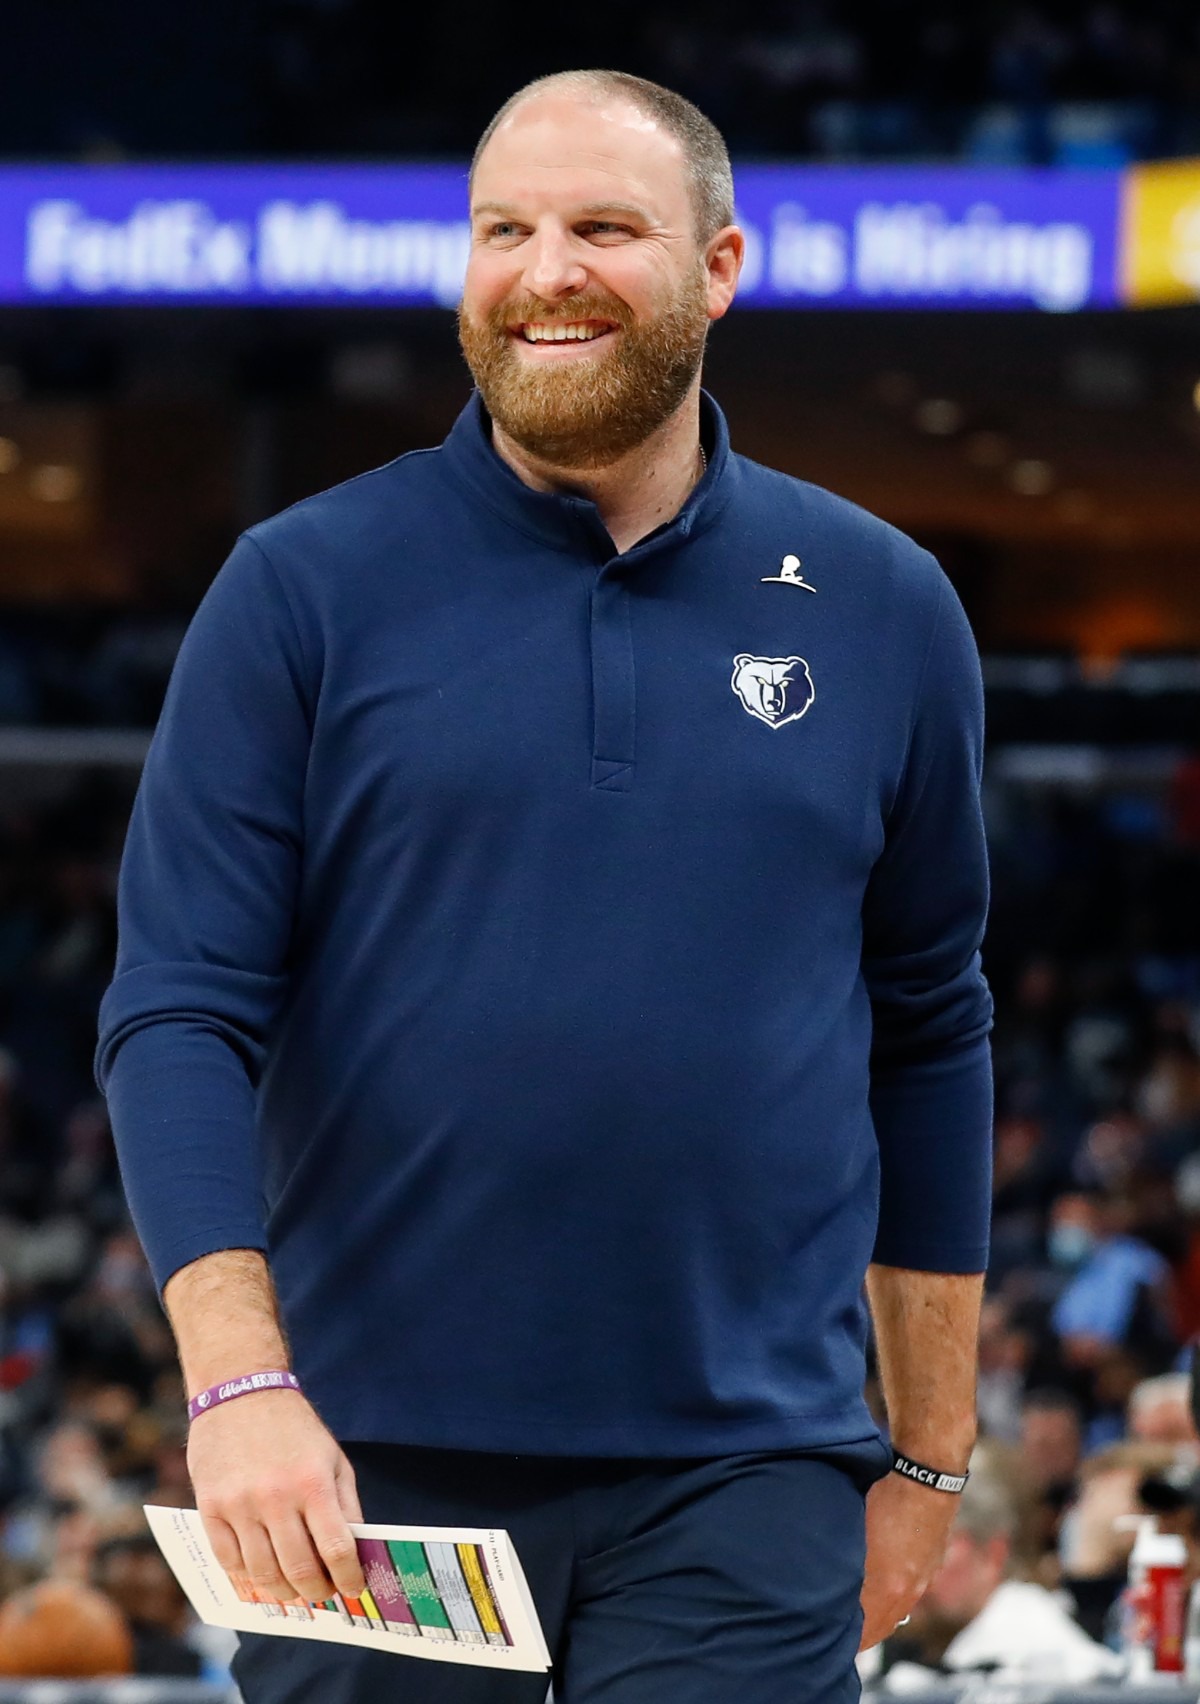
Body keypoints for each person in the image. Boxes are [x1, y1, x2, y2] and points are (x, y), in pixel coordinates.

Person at [94, 69, 993, 1704]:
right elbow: (176, 1009)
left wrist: (929, 1455)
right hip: (361, 1463)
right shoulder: (300, 586)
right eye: (503, 229)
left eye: (602, 227)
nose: (543, 269)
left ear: (719, 267)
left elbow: (930, 1028)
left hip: (754, 1465)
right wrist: (237, 1387)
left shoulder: (884, 604)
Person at [860, 1454, 1121, 1686]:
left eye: (927, 1552)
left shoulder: (1040, 1650)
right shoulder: (883, 1653)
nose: (905, 1576)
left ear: (992, 1555)